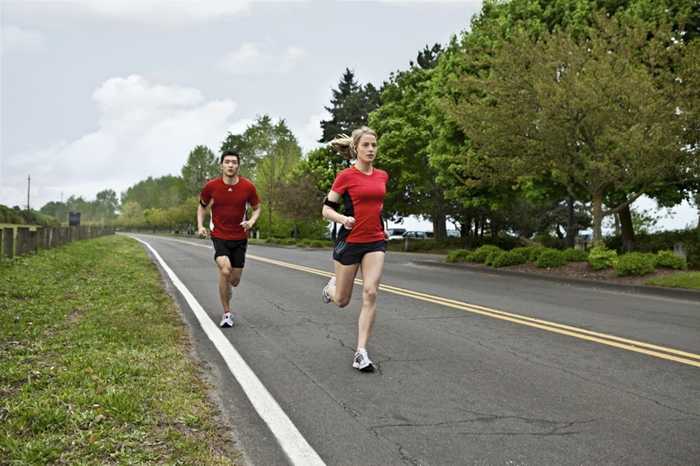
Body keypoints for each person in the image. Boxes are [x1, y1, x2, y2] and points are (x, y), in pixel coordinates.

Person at [321, 126, 389, 372]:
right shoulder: (345, 177)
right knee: (342, 300)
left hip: (375, 241)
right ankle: (331, 288)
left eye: (374, 145)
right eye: (366, 145)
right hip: (349, 240)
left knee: (370, 292)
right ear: (356, 148)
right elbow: (326, 209)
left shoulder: (382, 176)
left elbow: (377, 206)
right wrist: (342, 219)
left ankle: (361, 352)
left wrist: (383, 226)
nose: (371, 149)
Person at [197, 149, 261, 328]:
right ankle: (226, 313)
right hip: (219, 235)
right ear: (221, 165)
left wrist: (251, 221)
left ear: (238, 166)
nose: (230, 165)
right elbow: (201, 207)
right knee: (225, 269)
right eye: (227, 162)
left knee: (234, 280)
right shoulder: (211, 186)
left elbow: (257, 208)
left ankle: (227, 287)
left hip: (240, 237)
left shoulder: (247, 187)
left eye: (234, 162)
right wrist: (201, 226)